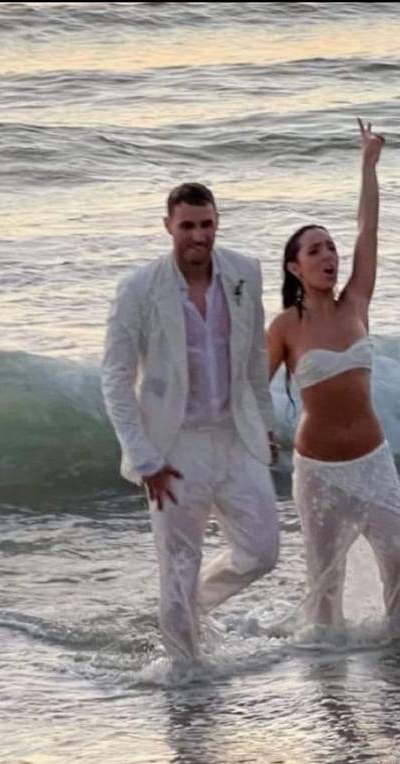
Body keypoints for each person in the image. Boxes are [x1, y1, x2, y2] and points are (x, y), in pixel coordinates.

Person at [101, 182, 279, 662]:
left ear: (217, 222)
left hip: (235, 436)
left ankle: (191, 607)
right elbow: (115, 381)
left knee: (262, 551)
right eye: (187, 226)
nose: (199, 236)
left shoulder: (245, 273)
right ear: (168, 227)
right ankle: (184, 675)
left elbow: (255, 359)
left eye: (207, 224)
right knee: (177, 567)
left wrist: (263, 425)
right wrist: (145, 459)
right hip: (173, 447)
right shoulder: (138, 289)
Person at [267, 119, 400, 641]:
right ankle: (331, 695)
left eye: (330, 248)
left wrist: (368, 165)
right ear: (294, 267)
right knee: (325, 585)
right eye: (315, 251)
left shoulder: (357, 303)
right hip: (319, 474)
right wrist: (255, 435)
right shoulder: (285, 326)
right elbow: (250, 390)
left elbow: (367, 230)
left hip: (373, 461)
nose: (329, 256)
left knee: (399, 559)